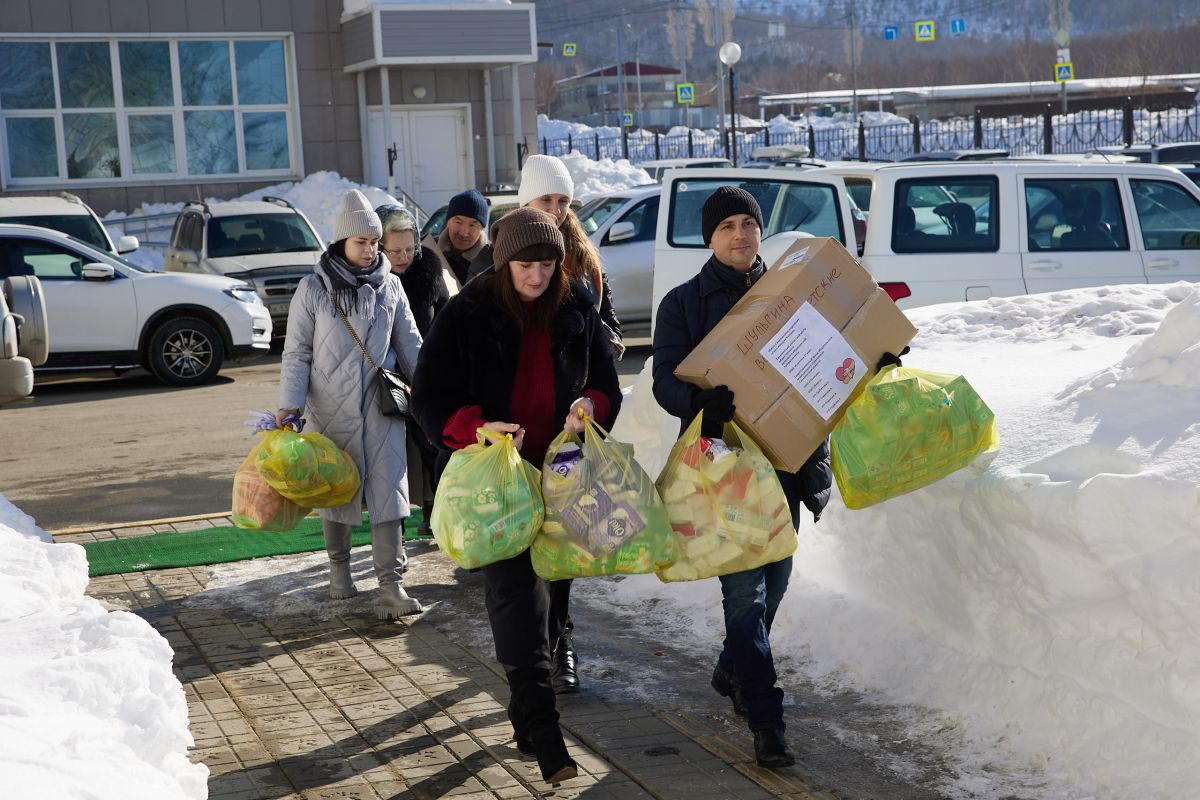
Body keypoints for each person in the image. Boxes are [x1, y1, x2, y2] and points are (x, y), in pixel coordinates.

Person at [411, 207, 622, 785]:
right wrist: (475, 425)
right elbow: (428, 396)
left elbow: (606, 385)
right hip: (496, 483)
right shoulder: (468, 312)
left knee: (551, 598)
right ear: (505, 264)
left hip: (560, 474)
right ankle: (548, 735)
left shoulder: (577, 305)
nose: (538, 276)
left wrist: (592, 408)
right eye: (527, 265)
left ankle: (525, 716)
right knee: (514, 597)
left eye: (548, 265)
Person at [650, 186, 833, 769]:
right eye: (727, 225)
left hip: (786, 462)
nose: (739, 235)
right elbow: (665, 385)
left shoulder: (789, 294)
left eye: (748, 224)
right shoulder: (683, 303)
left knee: (775, 581)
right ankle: (766, 718)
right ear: (709, 236)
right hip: (724, 470)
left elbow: (829, 357)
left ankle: (733, 668)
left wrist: (871, 358)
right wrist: (708, 405)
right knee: (745, 595)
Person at [466, 154, 624, 694]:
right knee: (513, 565)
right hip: (507, 449)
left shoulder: (583, 259)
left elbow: (604, 321)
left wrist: (598, 380)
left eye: (562, 201)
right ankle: (529, 661)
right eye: (545, 200)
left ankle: (559, 645)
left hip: (565, 439)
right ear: (524, 203)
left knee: (562, 549)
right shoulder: (493, 263)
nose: (555, 211)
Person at [277, 189, 425, 619]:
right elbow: (297, 352)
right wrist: (289, 407)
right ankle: (339, 573)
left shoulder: (391, 287)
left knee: (389, 496)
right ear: (341, 242)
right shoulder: (313, 288)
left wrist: (434, 391)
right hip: (329, 411)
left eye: (375, 243)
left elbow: (412, 346)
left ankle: (390, 587)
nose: (371, 250)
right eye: (362, 242)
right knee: (335, 491)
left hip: (381, 411)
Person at [377, 202, 455, 539]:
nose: (403, 256)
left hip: (426, 377)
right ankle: (393, 524)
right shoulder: (371, 278)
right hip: (383, 380)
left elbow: (445, 320)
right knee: (391, 456)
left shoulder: (429, 271)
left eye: (409, 248)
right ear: (378, 246)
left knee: (433, 447)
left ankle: (437, 511)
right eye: (395, 250)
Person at [423, 188, 489, 290]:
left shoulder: (492, 260)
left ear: (482, 228)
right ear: (448, 222)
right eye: (458, 222)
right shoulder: (427, 251)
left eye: (472, 225)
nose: (464, 232)